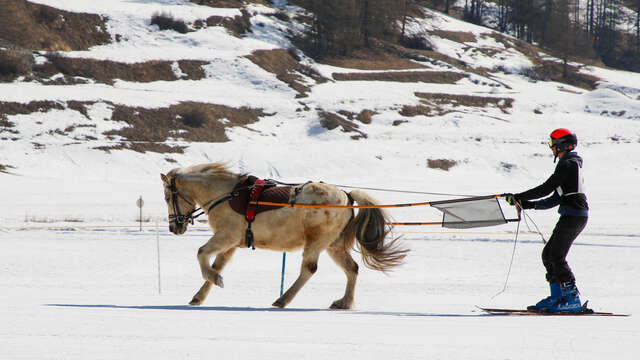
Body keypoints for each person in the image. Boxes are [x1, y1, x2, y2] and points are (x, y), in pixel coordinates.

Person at [505, 128, 589, 313]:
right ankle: (557, 297)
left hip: (574, 216)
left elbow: (546, 188)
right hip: (572, 215)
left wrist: (518, 196)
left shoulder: (568, 164)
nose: (550, 147)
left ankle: (571, 299)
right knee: (548, 255)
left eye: (552, 144)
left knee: (556, 257)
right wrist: (528, 204)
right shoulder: (570, 165)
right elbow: (555, 198)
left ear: (561, 145)